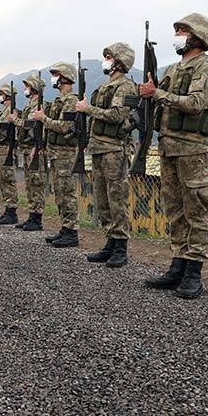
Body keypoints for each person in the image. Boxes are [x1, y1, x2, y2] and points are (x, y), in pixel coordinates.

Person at [140, 13, 208, 299]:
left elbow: (195, 103)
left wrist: (156, 94)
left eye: (182, 30)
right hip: (169, 148)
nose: (177, 34)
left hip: (193, 150)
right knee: (175, 210)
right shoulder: (174, 69)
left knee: (196, 212)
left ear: (198, 36)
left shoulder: (207, 66)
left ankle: (194, 272)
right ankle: (177, 265)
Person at [77, 43, 137, 267]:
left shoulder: (125, 86)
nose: (106, 60)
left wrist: (87, 109)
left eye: (109, 56)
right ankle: (110, 242)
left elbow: (116, 115)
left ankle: (121, 246)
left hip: (114, 149)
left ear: (120, 61)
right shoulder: (106, 86)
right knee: (102, 199)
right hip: (99, 147)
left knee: (116, 199)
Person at [33, 62, 80, 247]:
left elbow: (65, 127)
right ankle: (65, 228)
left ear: (65, 77)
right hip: (55, 153)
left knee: (67, 192)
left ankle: (72, 232)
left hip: (66, 154)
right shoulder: (60, 101)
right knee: (60, 193)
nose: (53, 77)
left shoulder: (71, 101)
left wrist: (43, 119)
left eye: (56, 74)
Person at [16, 76, 48, 231]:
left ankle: (37, 218)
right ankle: (32, 216)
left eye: (27, 86)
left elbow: (31, 125)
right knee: (30, 185)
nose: (25, 89)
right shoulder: (31, 105)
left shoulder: (38, 105)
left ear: (34, 88)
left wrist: (15, 120)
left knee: (36, 184)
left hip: (35, 148)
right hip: (28, 148)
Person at [0, 85, 21, 225]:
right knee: (2, 180)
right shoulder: (5, 110)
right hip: (1, 150)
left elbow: (0, 126)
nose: (0, 96)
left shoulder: (11, 110)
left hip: (6, 149)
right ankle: (7, 209)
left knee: (8, 180)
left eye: (2, 93)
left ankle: (12, 211)